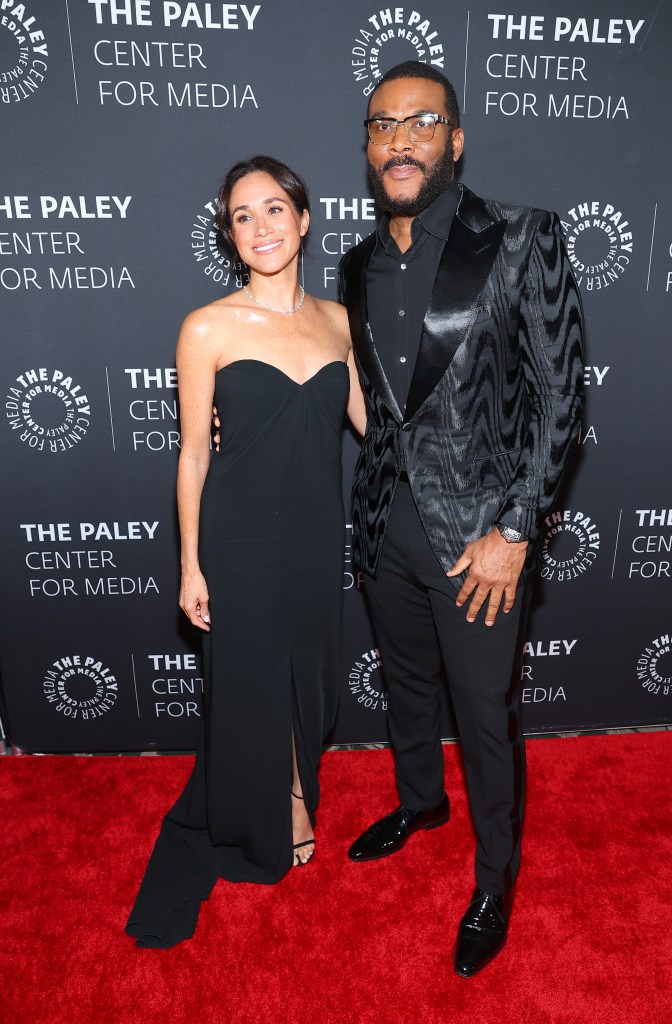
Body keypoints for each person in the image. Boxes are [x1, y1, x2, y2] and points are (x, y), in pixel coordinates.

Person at [339, 62, 584, 977]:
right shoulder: (359, 261)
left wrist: (516, 529)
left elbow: (561, 391)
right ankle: (417, 801)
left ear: (455, 138)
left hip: (482, 535)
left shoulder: (521, 238)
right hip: (385, 522)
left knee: (481, 712)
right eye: (381, 125)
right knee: (406, 684)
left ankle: (494, 878)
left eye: (421, 122)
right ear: (367, 147)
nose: (399, 139)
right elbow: (372, 396)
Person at [125, 155, 366, 948]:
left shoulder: (338, 321)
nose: (260, 227)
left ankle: (292, 783)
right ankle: (286, 805)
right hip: (237, 538)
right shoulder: (208, 326)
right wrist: (190, 563)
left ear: (303, 219)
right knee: (252, 682)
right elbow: (193, 452)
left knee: (315, 679)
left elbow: (379, 429)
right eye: (241, 216)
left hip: (313, 531)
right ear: (228, 236)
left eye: (273, 210)